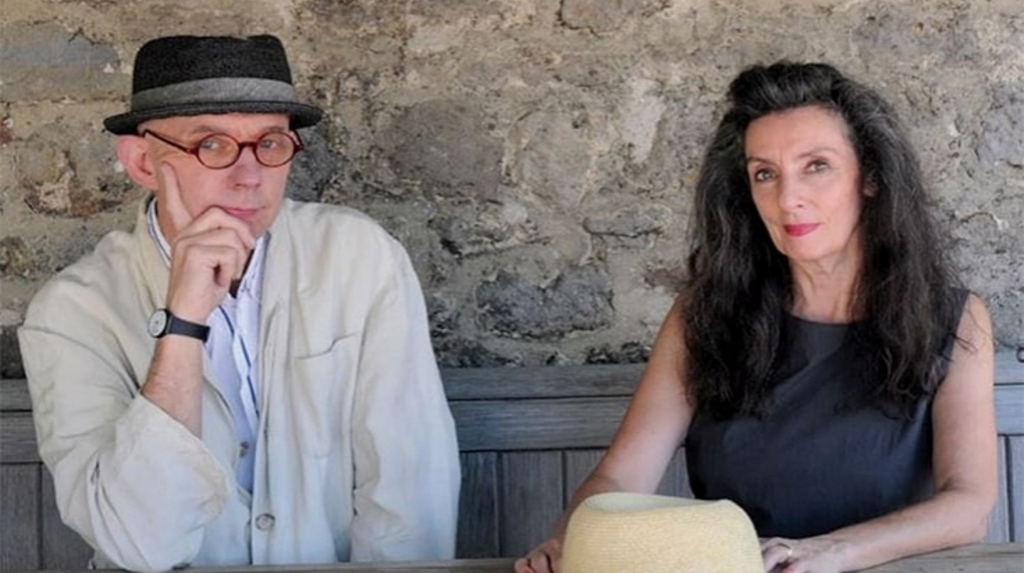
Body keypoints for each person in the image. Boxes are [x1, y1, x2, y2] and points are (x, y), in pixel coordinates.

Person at [516, 61, 996, 573]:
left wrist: (829, 552)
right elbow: (620, 479)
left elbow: (967, 505)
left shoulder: (954, 318)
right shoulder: (703, 315)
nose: (788, 199)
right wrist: (570, 541)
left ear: (871, 178)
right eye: (765, 174)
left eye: (816, 166)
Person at [18, 34, 460, 572]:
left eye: (270, 143)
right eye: (212, 144)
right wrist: (182, 323)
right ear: (142, 162)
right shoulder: (70, 312)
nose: (250, 177)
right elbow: (139, 542)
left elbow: (409, 487)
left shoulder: (359, 256)